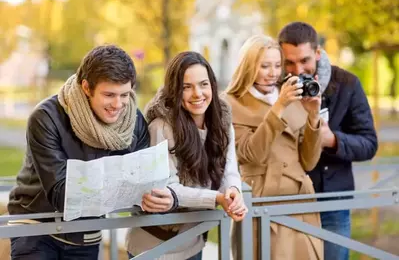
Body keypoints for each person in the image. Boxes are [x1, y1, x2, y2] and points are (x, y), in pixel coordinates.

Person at [7, 45, 151, 260]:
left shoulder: (134, 122)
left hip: (86, 232)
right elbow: (61, 193)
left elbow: (142, 183)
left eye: (125, 94)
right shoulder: (47, 117)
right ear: (86, 87)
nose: (118, 104)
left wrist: (154, 196)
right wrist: (121, 184)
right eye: (109, 95)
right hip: (36, 226)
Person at [126, 51, 247, 260]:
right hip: (155, 246)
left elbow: (230, 168)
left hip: (193, 240)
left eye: (203, 84)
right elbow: (169, 189)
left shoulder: (222, 120)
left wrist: (233, 191)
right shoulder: (161, 127)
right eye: (186, 87)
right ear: (174, 90)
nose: (197, 93)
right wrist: (217, 198)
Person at [278, 22, 378, 260]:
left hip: (332, 200)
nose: (297, 69)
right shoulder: (274, 85)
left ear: (318, 53)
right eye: (289, 62)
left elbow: (369, 143)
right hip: (287, 200)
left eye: (304, 61)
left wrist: (333, 140)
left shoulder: (348, 84)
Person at [224, 35, 324, 260]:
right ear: (249, 67)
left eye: (277, 65)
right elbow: (251, 154)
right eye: (265, 66)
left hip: (300, 201)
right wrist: (278, 107)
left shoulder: (294, 97)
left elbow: (308, 161)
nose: (273, 73)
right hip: (262, 200)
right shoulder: (231, 103)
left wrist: (313, 116)